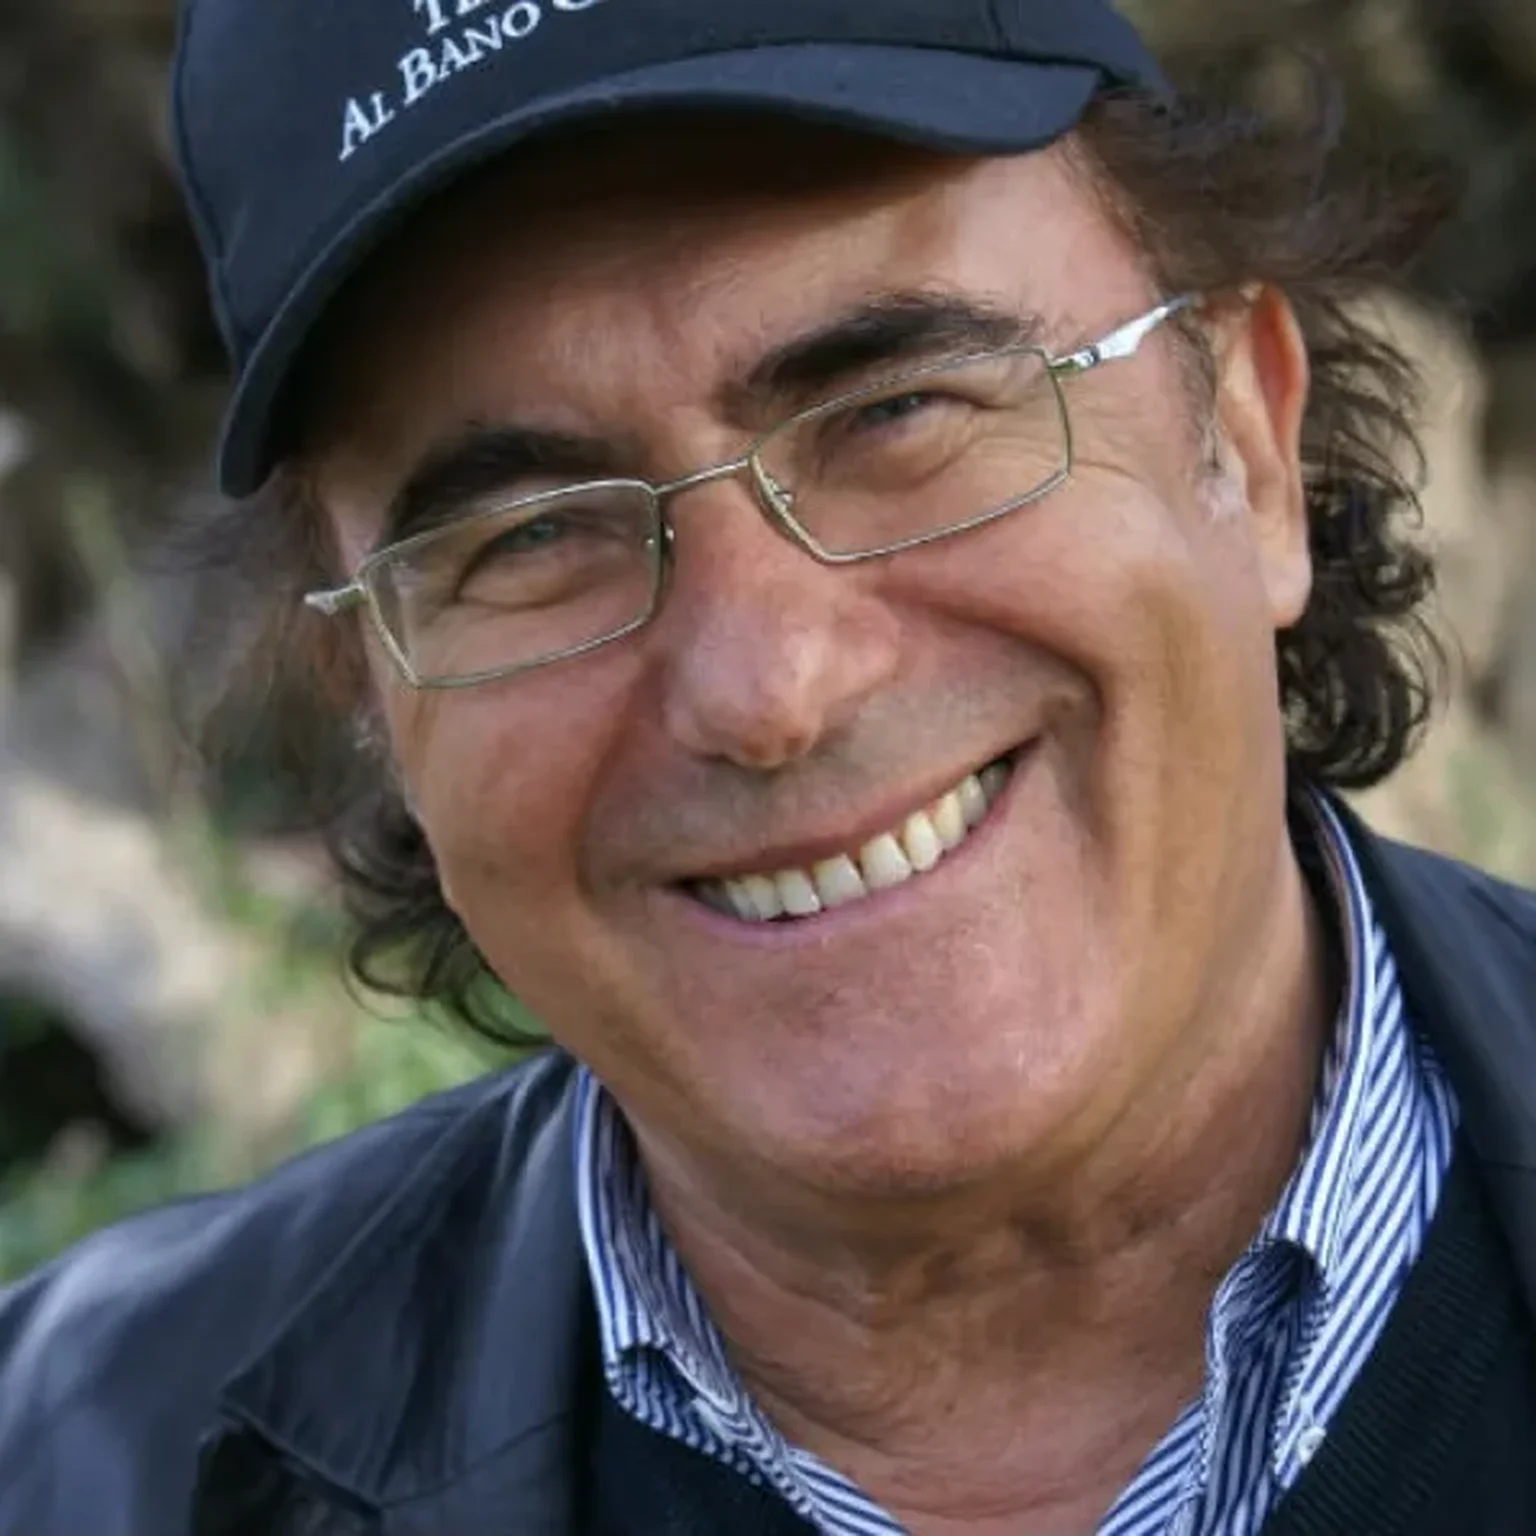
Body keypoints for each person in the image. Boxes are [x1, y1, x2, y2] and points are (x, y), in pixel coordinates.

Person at [3, 1, 1536, 1532]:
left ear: (1249, 444)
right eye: (531, 537)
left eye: (899, 412)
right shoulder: (72, 1471)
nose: (769, 688)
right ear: (375, 699)